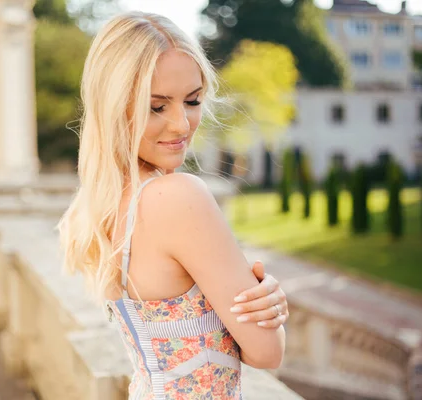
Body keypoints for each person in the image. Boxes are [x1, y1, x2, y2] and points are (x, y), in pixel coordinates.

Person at [58, 11, 289, 399]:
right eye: (157, 106)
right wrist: (271, 311)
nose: (182, 124)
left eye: (193, 100)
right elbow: (268, 351)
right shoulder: (178, 196)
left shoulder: (107, 203)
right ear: (115, 106)